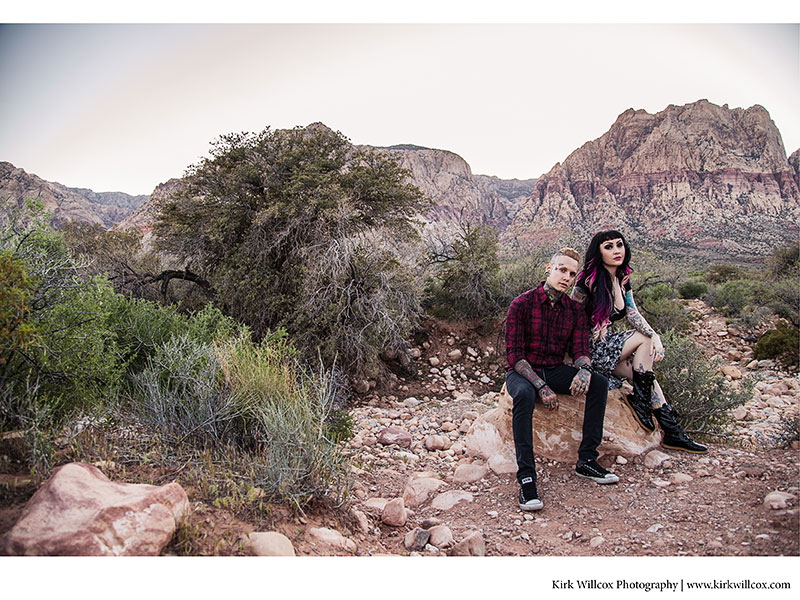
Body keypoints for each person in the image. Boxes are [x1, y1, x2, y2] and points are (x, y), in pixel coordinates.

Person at [571, 230, 707, 454]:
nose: (616, 250)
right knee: (643, 340)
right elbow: (571, 316)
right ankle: (641, 404)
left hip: (606, 351)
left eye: (619, 245)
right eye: (608, 247)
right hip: (590, 350)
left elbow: (633, 313)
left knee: (645, 375)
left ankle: (672, 430)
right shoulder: (589, 280)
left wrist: (656, 336)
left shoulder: (622, 278)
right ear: (598, 252)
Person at [505, 247, 619, 512]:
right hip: (524, 371)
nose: (566, 277)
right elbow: (514, 356)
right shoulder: (522, 304)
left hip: (555, 369)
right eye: (561, 270)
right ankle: (527, 478)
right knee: (524, 395)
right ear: (549, 269)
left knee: (599, 384)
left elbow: (580, 349)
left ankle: (587, 460)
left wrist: (584, 370)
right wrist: (541, 386)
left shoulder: (574, 311)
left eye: (571, 273)